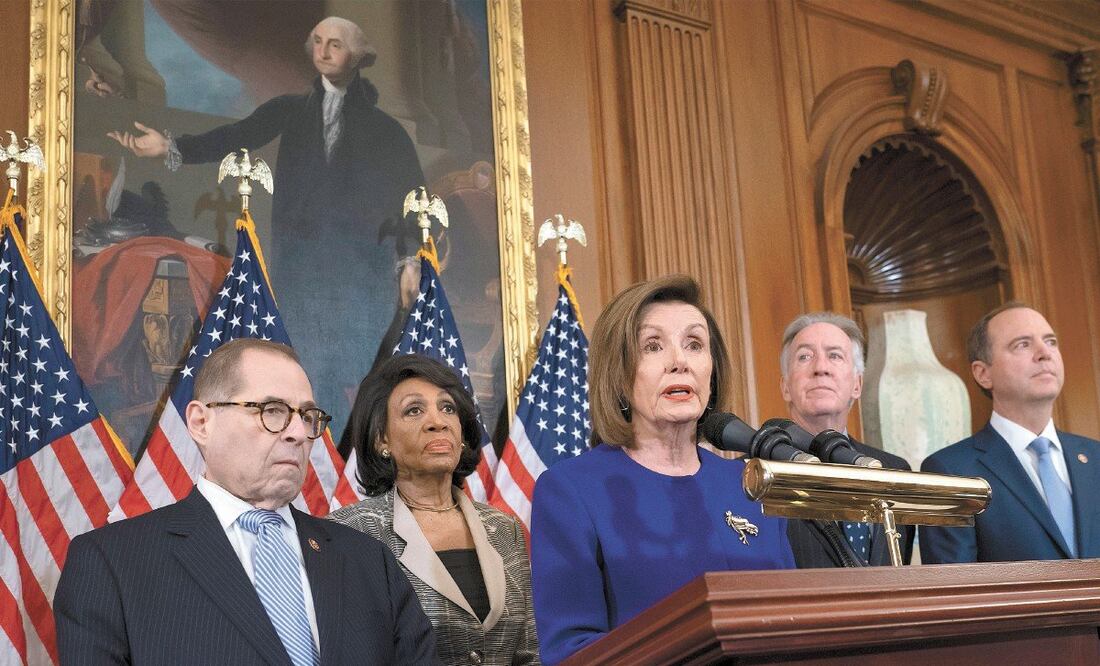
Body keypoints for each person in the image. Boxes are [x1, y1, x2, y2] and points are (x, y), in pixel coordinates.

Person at [108, 15, 425, 437]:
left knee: (360, 378)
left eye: (336, 44)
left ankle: (351, 471)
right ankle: (311, 472)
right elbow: (236, 134)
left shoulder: (386, 131)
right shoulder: (289, 111)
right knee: (305, 371)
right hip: (301, 271)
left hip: (359, 275)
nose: (324, 50)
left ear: (358, 57)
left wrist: (408, 260)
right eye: (318, 41)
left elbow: (411, 199)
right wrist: (171, 146)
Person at [53, 338, 438, 664]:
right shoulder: (111, 563)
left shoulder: (367, 559)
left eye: (307, 416)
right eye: (272, 411)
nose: (297, 434)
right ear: (202, 423)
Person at [530, 275, 795, 665]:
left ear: (712, 370)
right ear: (618, 375)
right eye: (653, 346)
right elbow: (571, 650)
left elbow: (794, 623)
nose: (679, 362)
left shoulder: (750, 486)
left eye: (694, 344)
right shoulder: (571, 491)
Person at [328, 354, 539, 665]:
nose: (437, 422)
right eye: (414, 410)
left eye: (447, 408)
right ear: (381, 439)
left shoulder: (505, 528)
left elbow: (529, 652)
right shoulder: (350, 532)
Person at [921, 303, 1100, 562]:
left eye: (1050, 342)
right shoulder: (951, 472)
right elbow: (955, 594)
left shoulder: (1095, 458)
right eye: (1022, 344)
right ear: (983, 374)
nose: (1044, 353)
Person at [779, 312, 915, 567]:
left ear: (857, 384)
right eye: (804, 356)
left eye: (834, 355)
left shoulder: (894, 471)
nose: (820, 368)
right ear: (785, 386)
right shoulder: (754, 473)